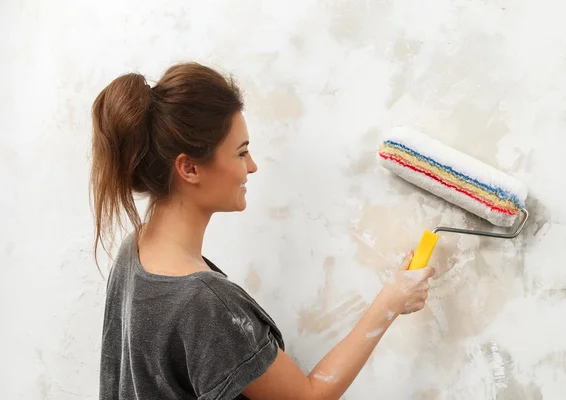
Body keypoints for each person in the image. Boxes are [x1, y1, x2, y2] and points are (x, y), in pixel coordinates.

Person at [90, 61, 435, 400]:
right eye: (241, 153)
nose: (252, 167)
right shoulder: (205, 302)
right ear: (189, 168)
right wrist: (390, 301)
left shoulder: (134, 249)